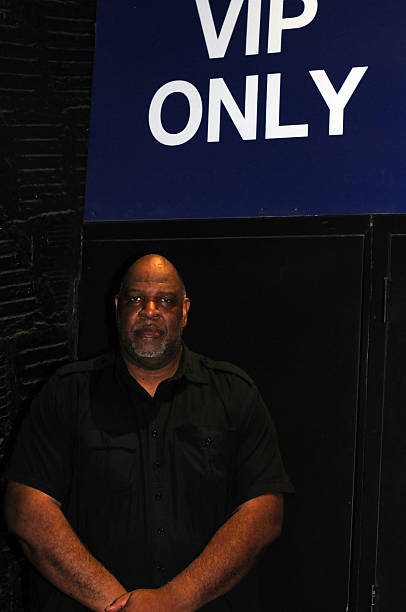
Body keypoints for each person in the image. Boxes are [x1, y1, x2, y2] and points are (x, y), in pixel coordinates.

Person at [5, 254, 293, 612]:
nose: (150, 310)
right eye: (136, 299)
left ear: (184, 312)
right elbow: (28, 509)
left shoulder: (234, 393)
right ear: (117, 307)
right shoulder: (66, 393)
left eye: (166, 301)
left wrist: (174, 600)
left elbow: (264, 513)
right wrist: (120, 605)